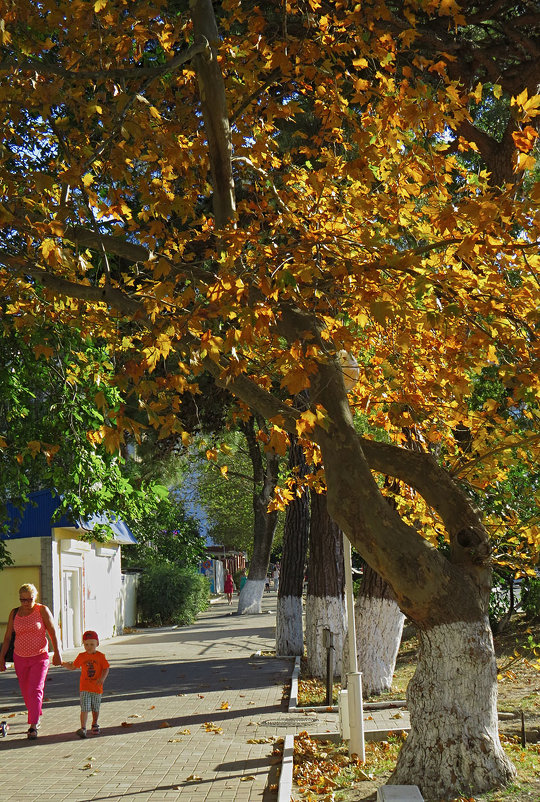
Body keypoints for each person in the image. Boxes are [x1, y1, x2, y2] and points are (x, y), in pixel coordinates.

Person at [0, 583, 62, 739]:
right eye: (23, 600)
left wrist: (57, 653)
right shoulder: (14, 613)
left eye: (29, 599)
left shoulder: (42, 610)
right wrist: (1, 657)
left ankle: (33, 725)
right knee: (26, 692)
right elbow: (7, 637)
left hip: (39, 657)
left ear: (36, 597)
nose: (26, 603)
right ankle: (36, 712)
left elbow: (53, 633)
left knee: (35, 690)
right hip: (19, 658)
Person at [63, 629, 109, 738]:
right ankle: (83, 728)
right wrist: (63, 663)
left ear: (97, 644)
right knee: (84, 708)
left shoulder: (100, 656)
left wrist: (102, 678)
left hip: (97, 687)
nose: (89, 647)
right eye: (86, 644)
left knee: (95, 708)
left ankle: (95, 724)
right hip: (84, 687)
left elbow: (106, 668)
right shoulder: (81, 656)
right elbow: (73, 666)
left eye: (92, 644)